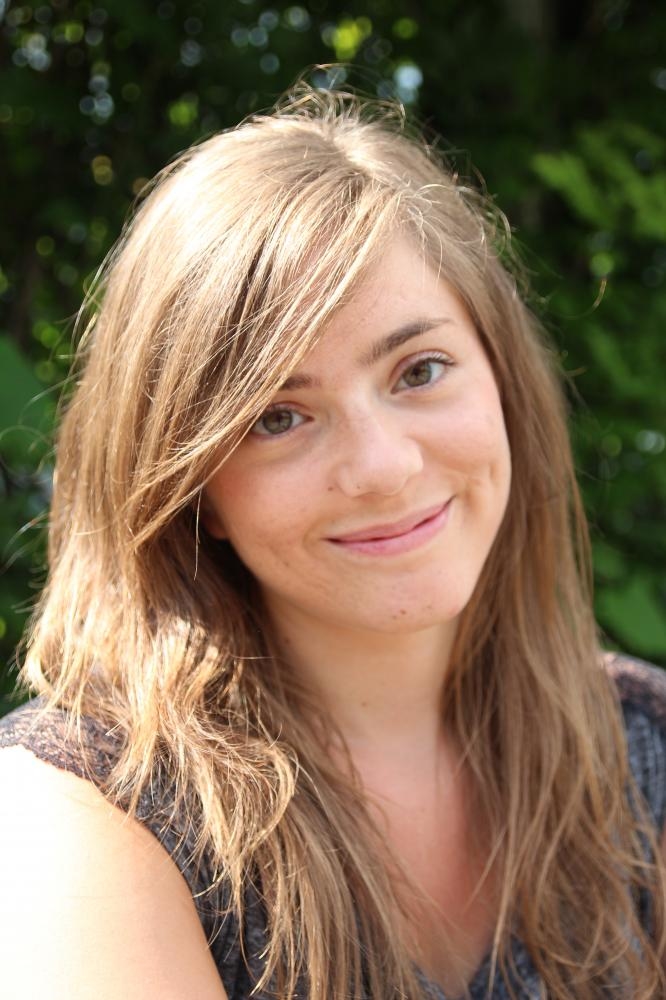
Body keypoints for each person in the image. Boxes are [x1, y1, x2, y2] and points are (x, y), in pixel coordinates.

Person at [0, 82, 665, 1000]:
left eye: (419, 370)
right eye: (277, 418)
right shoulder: (80, 819)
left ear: (503, 379)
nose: (384, 466)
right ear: (193, 491)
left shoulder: (643, 749)